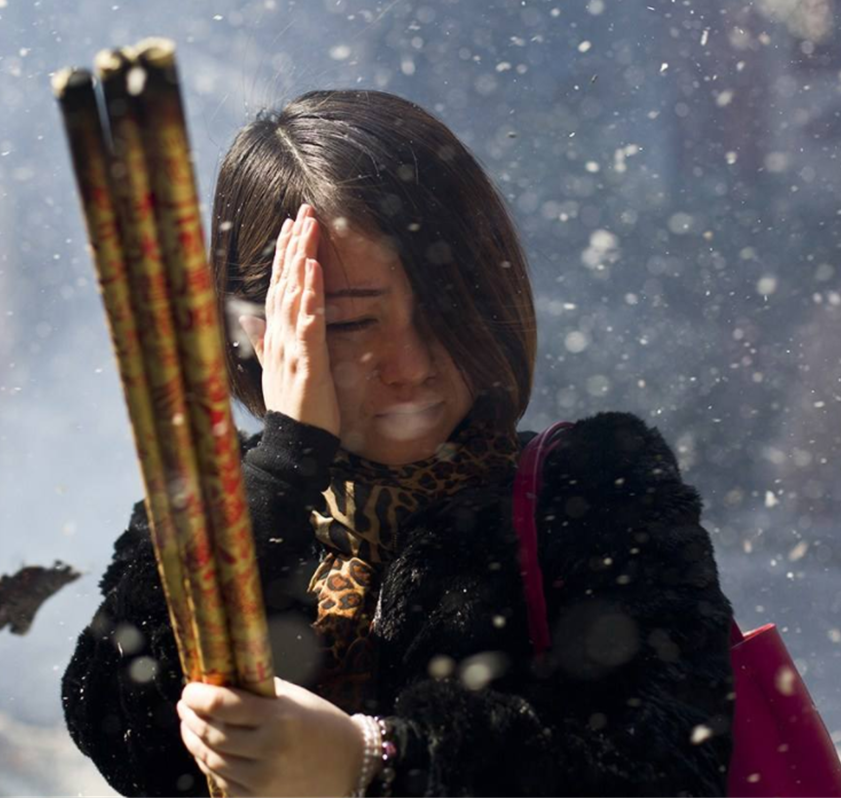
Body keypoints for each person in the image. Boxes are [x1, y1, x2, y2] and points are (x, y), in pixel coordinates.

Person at [61, 89, 736, 797]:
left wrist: (377, 761)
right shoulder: (218, 503)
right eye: (352, 323)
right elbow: (120, 728)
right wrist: (284, 466)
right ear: (263, 332)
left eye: (446, 303)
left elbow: (671, 769)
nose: (410, 362)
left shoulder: (597, 491)